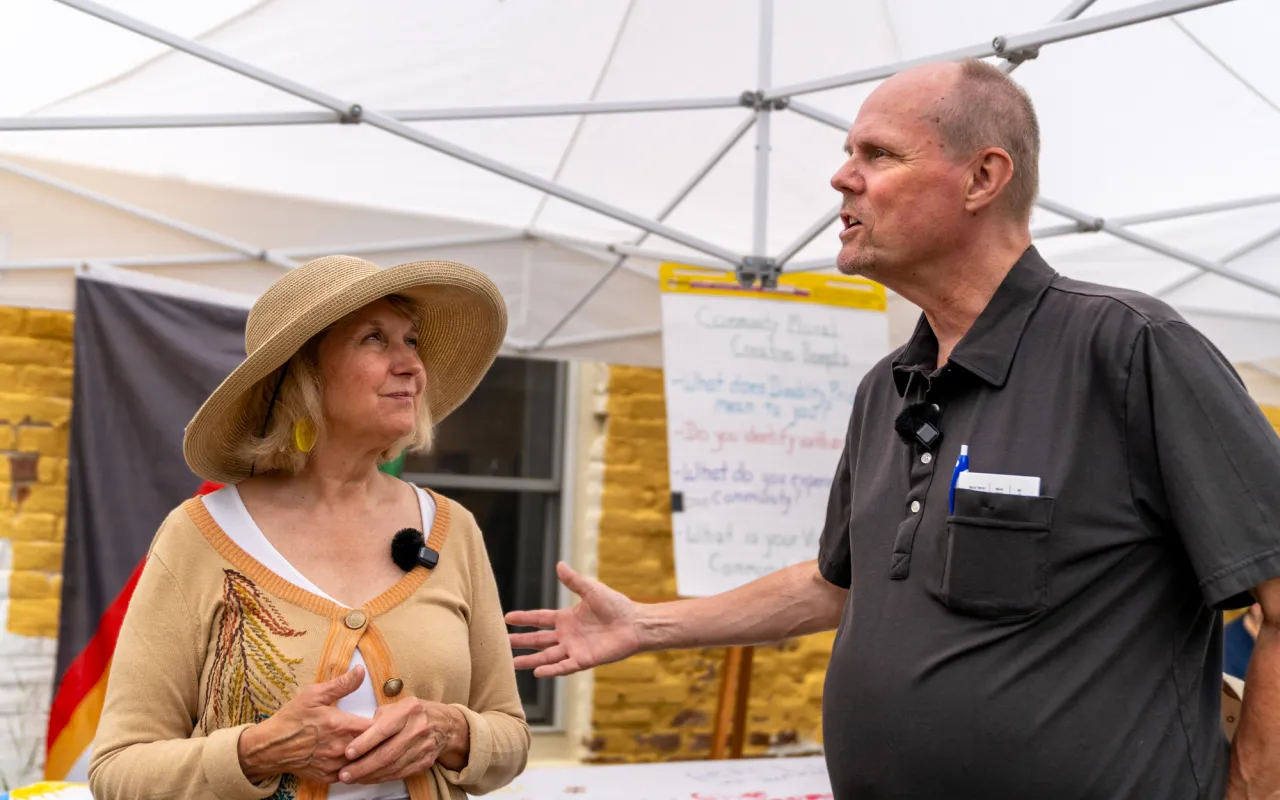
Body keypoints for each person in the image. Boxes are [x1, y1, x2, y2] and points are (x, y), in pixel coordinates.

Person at [506, 59, 1280, 800]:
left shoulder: (1130, 348)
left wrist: (1252, 790)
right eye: (847, 153)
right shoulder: (889, 388)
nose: (842, 177)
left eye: (878, 154)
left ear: (984, 177)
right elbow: (834, 584)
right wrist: (647, 624)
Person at [89, 255, 531, 800]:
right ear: (304, 373)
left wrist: (452, 732)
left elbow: (510, 734)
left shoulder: (452, 529)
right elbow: (117, 770)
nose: (411, 366)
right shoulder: (200, 535)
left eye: (411, 341)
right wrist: (258, 751)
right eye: (374, 339)